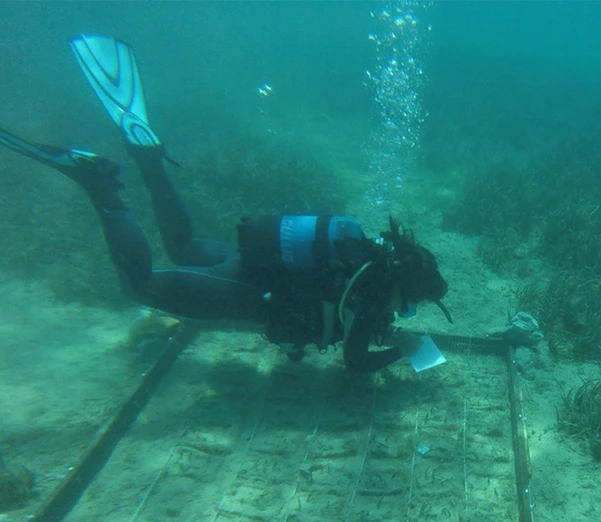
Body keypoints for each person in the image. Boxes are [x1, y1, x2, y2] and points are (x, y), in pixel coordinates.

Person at [0, 34, 451, 373]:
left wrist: (382, 327)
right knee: (141, 286)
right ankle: (102, 188)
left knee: (184, 244)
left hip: (248, 262)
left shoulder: (368, 260)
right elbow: (354, 366)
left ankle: (148, 156)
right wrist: (403, 349)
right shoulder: (374, 294)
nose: (403, 311)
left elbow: (344, 308)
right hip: (246, 291)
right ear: (407, 289)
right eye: (409, 306)